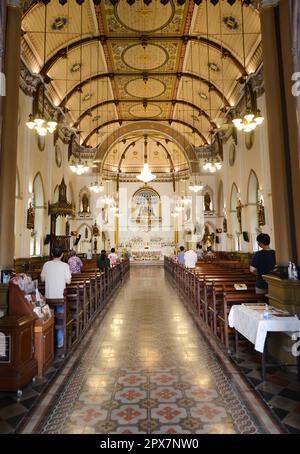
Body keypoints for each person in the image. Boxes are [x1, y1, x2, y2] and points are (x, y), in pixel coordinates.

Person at [41, 247, 71, 349]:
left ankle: (49, 343)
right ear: (62, 254)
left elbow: (42, 279)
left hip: (49, 297)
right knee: (60, 319)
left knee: (48, 320)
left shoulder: (46, 265)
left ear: (52, 254)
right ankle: (59, 343)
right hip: (60, 298)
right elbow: (68, 281)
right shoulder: (65, 266)